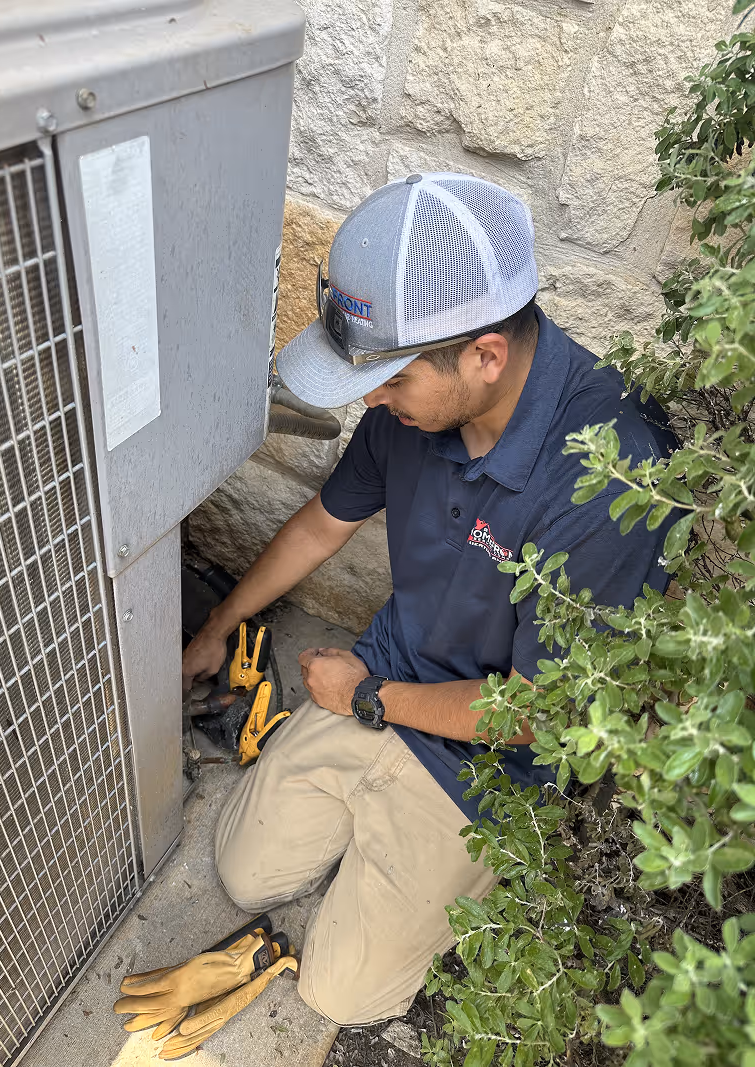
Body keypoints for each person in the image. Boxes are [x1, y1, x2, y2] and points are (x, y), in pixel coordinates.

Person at [181, 173, 675, 1025]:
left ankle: (426, 868)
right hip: (387, 669)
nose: (371, 399)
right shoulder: (415, 414)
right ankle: (369, 844)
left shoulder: (606, 483)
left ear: (484, 353)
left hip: (490, 765)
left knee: (339, 992)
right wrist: (219, 627)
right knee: (240, 869)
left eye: (390, 381)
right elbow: (320, 525)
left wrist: (366, 696)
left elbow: (537, 712)